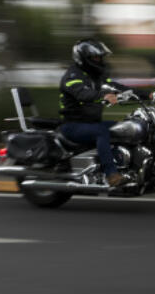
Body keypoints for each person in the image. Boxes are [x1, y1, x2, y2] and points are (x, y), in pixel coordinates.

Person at [58, 39, 147, 187]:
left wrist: (147, 95)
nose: (99, 60)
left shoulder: (97, 76)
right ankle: (111, 174)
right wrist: (102, 96)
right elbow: (83, 94)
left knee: (126, 127)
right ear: (83, 58)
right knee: (101, 132)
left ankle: (129, 167)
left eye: (100, 57)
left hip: (92, 123)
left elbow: (116, 86)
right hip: (73, 126)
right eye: (95, 58)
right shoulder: (72, 76)